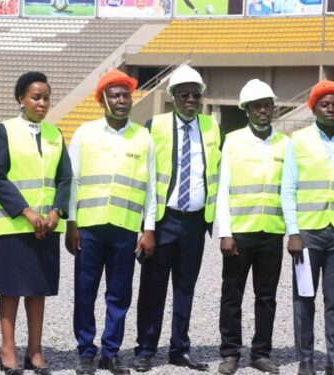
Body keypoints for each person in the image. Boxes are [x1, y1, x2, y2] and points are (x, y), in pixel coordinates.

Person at [66, 69, 156, 375]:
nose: (122, 100)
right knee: (85, 292)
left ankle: (111, 351)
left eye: (126, 95)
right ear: (102, 100)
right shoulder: (84, 134)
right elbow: (73, 181)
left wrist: (149, 228)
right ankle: (86, 351)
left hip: (125, 229)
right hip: (89, 229)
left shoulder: (143, 137)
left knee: (119, 294)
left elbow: (152, 187)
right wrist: (71, 224)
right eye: (115, 95)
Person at [132, 64, 219, 373]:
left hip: (195, 221)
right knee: (153, 286)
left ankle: (180, 348)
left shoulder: (211, 127)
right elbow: (143, 177)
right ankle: (145, 348)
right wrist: (147, 226)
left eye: (196, 95)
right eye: (184, 95)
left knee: (185, 287)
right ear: (172, 96)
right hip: (163, 219)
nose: (191, 100)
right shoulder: (153, 125)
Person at [0, 71, 71, 375]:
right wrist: (26, 211)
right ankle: (7, 349)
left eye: (46, 97)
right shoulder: (3, 131)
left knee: (38, 290)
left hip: (45, 227)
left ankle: (35, 351)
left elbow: (64, 179)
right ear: (21, 99)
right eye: (36, 97)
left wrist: (55, 212)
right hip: (14, 226)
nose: (42, 102)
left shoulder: (55, 134)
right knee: (11, 290)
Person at [281, 80, 334, 375]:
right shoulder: (298, 140)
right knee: (304, 298)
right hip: (308, 234)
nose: (331, 109)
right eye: (325, 104)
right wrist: (294, 231)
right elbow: (288, 188)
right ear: (313, 107)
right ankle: (305, 359)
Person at [216, 79, 286, 375]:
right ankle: (230, 352)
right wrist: (225, 232)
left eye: (267, 106)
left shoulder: (286, 143)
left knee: (266, 296)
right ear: (246, 110)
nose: (262, 111)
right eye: (257, 106)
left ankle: (261, 353)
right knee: (232, 294)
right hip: (240, 232)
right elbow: (223, 189)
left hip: (272, 230)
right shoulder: (232, 141)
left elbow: (290, 190)